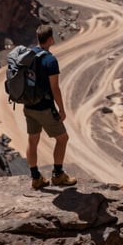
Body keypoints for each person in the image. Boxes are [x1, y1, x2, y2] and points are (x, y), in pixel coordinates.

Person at [24, 24, 77, 190]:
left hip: (28, 105)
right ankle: (58, 175)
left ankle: (35, 178)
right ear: (51, 39)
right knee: (62, 138)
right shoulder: (50, 60)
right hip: (45, 108)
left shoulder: (29, 54)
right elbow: (55, 88)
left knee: (32, 141)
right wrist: (61, 109)